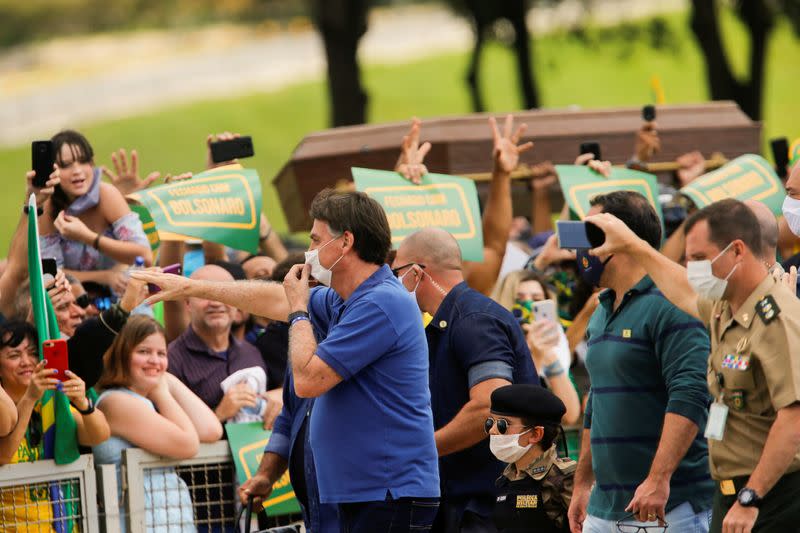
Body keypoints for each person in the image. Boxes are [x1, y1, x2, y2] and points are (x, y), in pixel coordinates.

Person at [135, 188, 441, 533]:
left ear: (345, 242)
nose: (308, 252)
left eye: (315, 239)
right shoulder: (348, 299)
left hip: (388, 493)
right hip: (362, 493)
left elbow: (309, 379)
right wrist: (194, 288)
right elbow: (271, 298)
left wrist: (298, 311)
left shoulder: (382, 302)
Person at [585, 198, 800, 532]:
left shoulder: (776, 315)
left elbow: (794, 418)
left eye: (699, 258)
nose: (693, 267)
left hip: (771, 496)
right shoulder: (724, 309)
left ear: (737, 251)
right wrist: (633, 245)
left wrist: (751, 497)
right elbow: (680, 287)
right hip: (729, 492)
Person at [566, 191, 714, 533]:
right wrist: (583, 482)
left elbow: (690, 394)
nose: (578, 249)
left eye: (589, 234)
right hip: (604, 508)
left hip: (667, 507)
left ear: (618, 239)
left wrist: (658, 479)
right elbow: (596, 401)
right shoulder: (601, 310)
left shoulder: (673, 302)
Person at [392, 227, 538, 533]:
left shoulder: (473, 321)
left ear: (418, 273)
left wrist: (419, 452)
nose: (394, 283)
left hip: (489, 507)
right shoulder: (453, 320)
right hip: (468, 501)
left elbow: (489, 406)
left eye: (397, 272)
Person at [93, 315, 222, 532]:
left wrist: (167, 380)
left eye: (161, 353)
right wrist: (163, 393)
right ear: (121, 353)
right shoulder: (115, 402)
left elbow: (212, 430)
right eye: (143, 351)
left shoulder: (147, 398)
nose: (154, 360)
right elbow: (188, 444)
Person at [0, 320, 110, 529]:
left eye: (32, 353)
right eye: (14, 356)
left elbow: (100, 435)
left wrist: (82, 403)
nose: (26, 361)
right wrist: (30, 399)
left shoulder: (50, 405)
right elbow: (4, 455)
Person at [38, 129, 152, 289]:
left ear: (92, 163)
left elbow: (145, 255)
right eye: (66, 165)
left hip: (123, 295)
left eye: (83, 161)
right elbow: (49, 276)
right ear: (53, 171)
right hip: (74, 300)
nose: (77, 170)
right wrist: (104, 277)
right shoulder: (48, 208)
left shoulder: (107, 194)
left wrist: (89, 238)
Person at [489, 384, 575, 533]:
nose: (492, 430)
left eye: (503, 424)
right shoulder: (505, 479)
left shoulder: (565, 478)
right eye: (490, 422)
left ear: (536, 434)